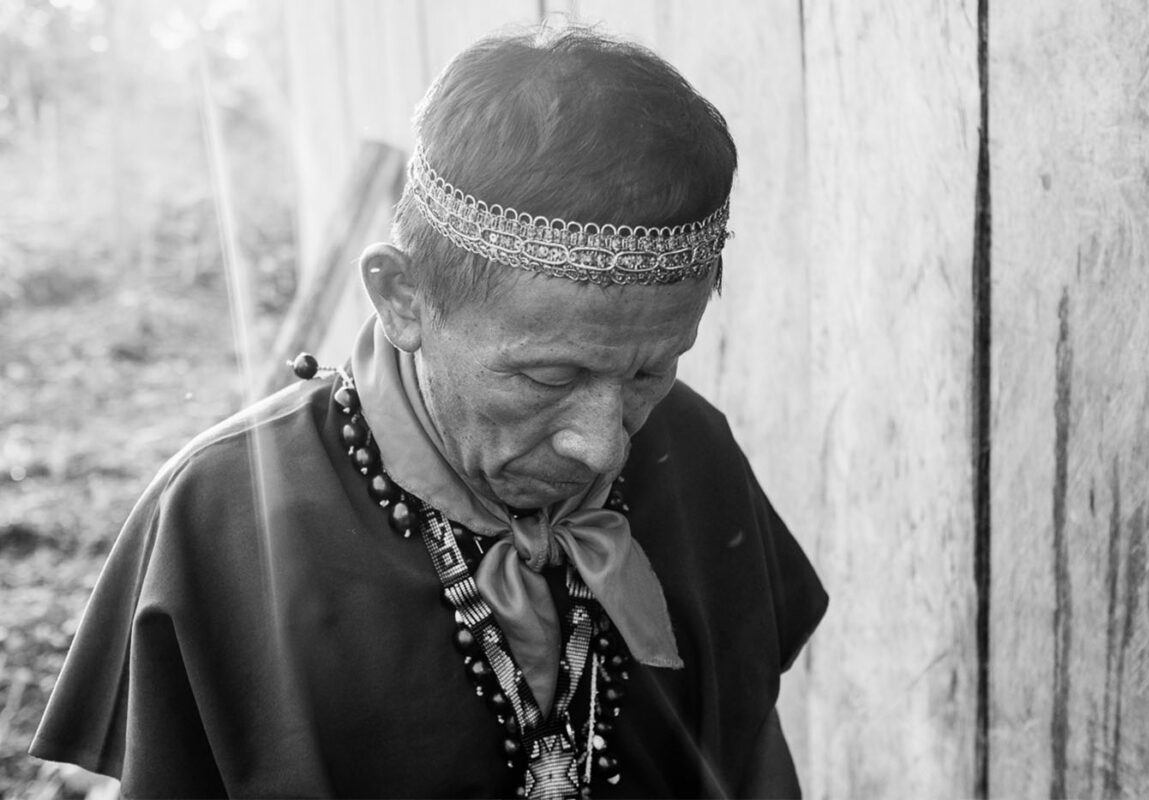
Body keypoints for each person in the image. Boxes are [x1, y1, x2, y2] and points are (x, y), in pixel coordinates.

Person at [30, 26, 827, 799]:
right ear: (402, 297)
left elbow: (750, 753)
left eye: (653, 369)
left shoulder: (692, 451)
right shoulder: (222, 518)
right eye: (548, 376)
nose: (604, 447)